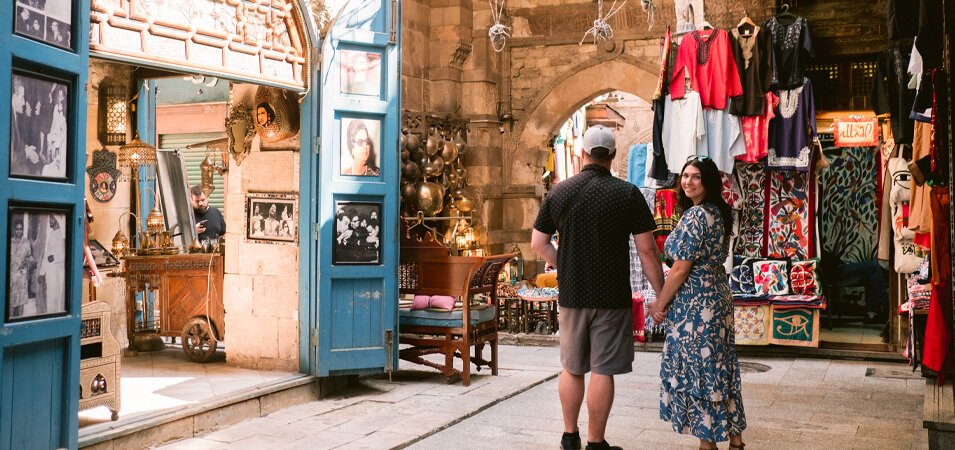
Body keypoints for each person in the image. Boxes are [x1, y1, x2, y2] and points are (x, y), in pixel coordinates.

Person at [531, 125, 664, 450]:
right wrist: (661, 294)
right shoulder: (628, 193)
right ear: (614, 155)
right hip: (611, 295)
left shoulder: (559, 192)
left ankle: (569, 436)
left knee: (572, 367)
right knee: (602, 369)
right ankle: (595, 442)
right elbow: (647, 251)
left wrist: (565, 264)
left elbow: (538, 243)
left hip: (573, 295)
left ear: (583, 153)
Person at [648, 157, 746, 450]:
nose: (688, 182)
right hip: (717, 296)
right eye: (685, 176)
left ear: (708, 182)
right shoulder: (718, 212)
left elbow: (680, 268)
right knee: (720, 366)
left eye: (696, 177)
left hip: (696, 305)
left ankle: (707, 443)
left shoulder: (696, 216)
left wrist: (659, 304)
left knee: (701, 369)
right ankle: (735, 440)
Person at [39, 214, 65, 315]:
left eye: (52, 218)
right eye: (49, 218)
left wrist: (55, 257)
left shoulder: (63, 235)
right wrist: (42, 273)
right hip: (50, 273)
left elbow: (67, 254)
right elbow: (46, 255)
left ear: (57, 220)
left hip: (59, 272)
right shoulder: (50, 234)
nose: (50, 220)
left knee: (59, 300)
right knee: (50, 299)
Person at [10, 219, 36, 318]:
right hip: (12, 279)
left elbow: (29, 257)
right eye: (17, 229)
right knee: (11, 306)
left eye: (21, 229)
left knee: (20, 307)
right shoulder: (10, 243)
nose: (19, 231)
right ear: (14, 230)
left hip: (22, 279)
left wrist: (30, 263)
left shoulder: (26, 242)